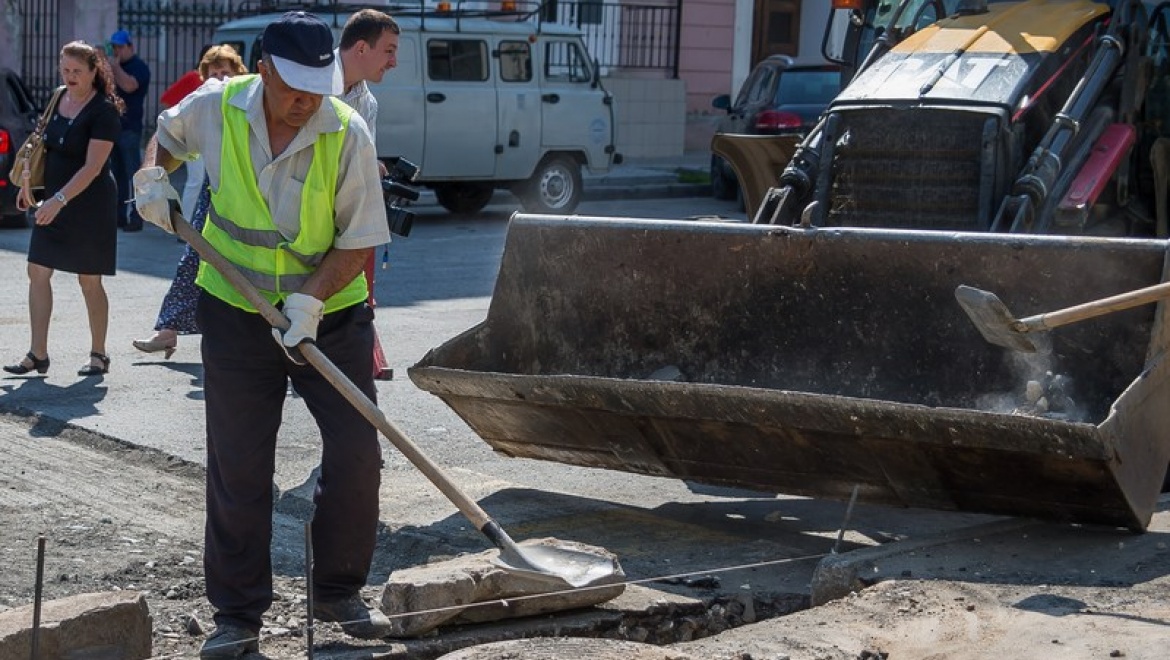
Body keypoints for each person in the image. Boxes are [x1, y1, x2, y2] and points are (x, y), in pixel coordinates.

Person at [132, 12, 391, 657]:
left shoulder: (346, 131)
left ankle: (337, 589)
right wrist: (152, 177)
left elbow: (360, 238)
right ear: (265, 70)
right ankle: (238, 616)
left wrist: (311, 300)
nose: (307, 102)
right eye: (295, 87)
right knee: (239, 461)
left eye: (318, 88)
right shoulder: (216, 107)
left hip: (329, 315)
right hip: (235, 309)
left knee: (359, 451)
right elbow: (165, 137)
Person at [3, 42, 124, 377]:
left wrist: (58, 201)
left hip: (89, 204)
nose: (70, 77)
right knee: (37, 271)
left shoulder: (104, 111)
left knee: (89, 279)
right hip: (53, 200)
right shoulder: (58, 97)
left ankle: (99, 353)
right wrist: (31, 189)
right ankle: (37, 354)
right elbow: (43, 147)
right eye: (65, 70)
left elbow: (92, 167)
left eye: (77, 72)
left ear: (94, 71)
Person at [132, 45, 247, 359]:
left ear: (240, 72)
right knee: (192, 260)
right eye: (214, 72)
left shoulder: (253, 102)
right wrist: (151, 175)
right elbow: (167, 126)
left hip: (249, 195)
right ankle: (167, 330)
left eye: (226, 71)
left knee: (244, 268)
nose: (220, 77)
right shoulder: (204, 102)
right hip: (214, 192)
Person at [337, 8, 399, 378]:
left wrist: (370, 166)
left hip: (343, 212)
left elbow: (363, 157)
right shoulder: (311, 80)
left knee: (355, 287)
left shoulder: (366, 102)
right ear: (361, 48)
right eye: (389, 50)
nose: (394, 62)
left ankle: (361, 356)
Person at [160, 44, 215, 221]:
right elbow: (167, 100)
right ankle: (187, 222)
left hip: (212, 137)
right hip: (194, 137)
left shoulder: (221, 82)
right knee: (196, 181)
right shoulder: (193, 77)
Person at [107, 29, 150, 232]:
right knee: (117, 175)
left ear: (130, 47)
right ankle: (119, 216)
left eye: (120, 47)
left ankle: (136, 216)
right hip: (113, 128)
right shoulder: (113, 68)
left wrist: (115, 67)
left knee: (134, 174)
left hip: (130, 129)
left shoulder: (139, 67)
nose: (117, 51)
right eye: (114, 47)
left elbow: (130, 86)